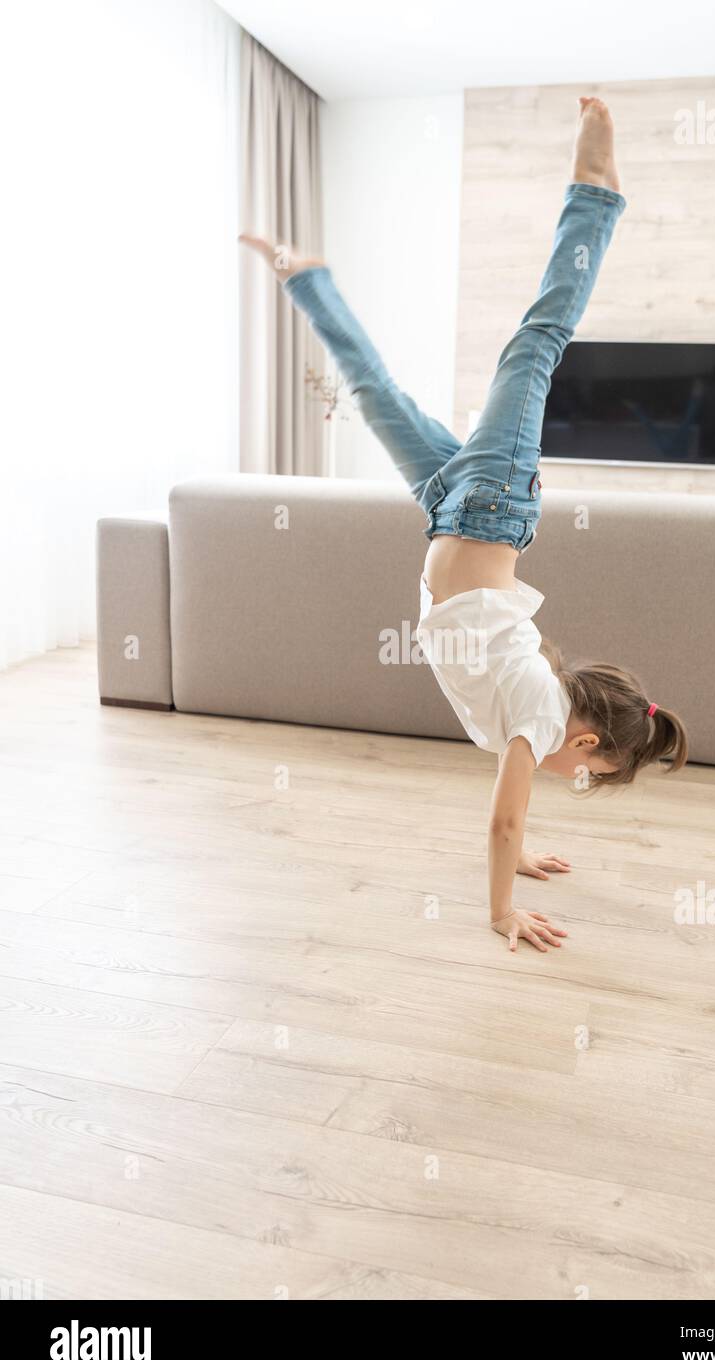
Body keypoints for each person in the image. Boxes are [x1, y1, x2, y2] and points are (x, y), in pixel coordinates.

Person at [240, 97, 687, 954]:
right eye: (587, 779)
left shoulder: (530, 711)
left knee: (373, 395)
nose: (573, 782)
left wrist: (519, 859)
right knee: (535, 343)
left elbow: (506, 816)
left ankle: (305, 276)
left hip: (450, 507)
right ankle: (595, 192)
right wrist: (499, 912)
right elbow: (498, 820)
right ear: (585, 739)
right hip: (492, 504)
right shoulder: (538, 717)